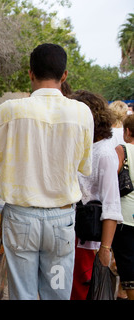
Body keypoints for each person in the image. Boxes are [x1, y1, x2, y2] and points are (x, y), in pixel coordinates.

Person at [0, 43, 95, 300]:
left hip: (22, 221)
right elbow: (84, 166)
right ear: (64, 75)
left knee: (22, 295)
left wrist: (5, 145)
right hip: (61, 223)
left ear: (30, 73)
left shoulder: (12, 110)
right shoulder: (82, 113)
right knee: (57, 292)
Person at [68, 90, 123, 300]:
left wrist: (105, 250)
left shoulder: (104, 154)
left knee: (80, 292)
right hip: (75, 236)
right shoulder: (88, 147)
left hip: (88, 243)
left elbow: (111, 206)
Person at [113, 114, 134, 300]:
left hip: (125, 216)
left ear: (127, 131)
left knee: (126, 262)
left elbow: (112, 179)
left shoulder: (122, 149)